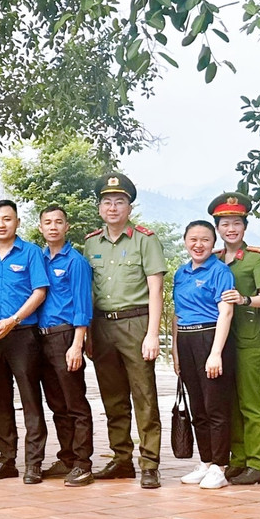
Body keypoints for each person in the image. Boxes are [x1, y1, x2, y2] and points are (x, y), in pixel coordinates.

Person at [85, 172, 167, 489]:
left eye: (120, 201)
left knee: (144, 396)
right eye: (107, 202)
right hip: (102, 325)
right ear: (100, 207)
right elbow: (88, 291)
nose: (113, 207)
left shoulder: (145, 240)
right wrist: (90, 334)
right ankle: (121, 459)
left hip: (136, 322)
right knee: (113, 397)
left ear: (129, 208)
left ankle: (149, 464)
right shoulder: (92, 242)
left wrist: (152, 334)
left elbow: (156, 290)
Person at [0, 200, 51, 483]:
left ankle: (34, 462)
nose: (1, 224)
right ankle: (6, 459)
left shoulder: (31, 252)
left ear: (17, 222)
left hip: (22, 335)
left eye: (7, 219)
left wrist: (13, 321)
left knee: (30, 398)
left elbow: (39, 292)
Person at [209, 192, 260, 486]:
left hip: (249, 339)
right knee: (229, 402)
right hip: (222, 341)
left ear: (244, 227)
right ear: (217, 228)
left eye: (236, 223)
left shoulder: (257, 259)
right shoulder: (215, 259)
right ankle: (238, 458)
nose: (230, 229)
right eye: (224, 224)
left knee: (250, 403)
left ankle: (258, 463)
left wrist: (245, 299)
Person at [172, 221, 239, 490]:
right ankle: (206, 460)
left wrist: (215, 353)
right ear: (186, 241)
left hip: (211, 337)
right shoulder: (181, 273)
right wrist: (177, 353)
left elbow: (226, 312)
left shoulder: (220, 271)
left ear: (214, 244)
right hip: (186, 340)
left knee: (215, 406)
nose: (198, 245)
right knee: (197, 406)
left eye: (205, 240)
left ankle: (220, 466)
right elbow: (177, 316)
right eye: (193, 239)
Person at [36, 205, 96, 487]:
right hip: (42, 338)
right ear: (40, 227)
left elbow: (83, 304)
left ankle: (83, 463)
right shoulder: (39, 259)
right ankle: (67, 457)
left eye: (58, 222)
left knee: (75, 403)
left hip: (65, 336)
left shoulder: (76, 261)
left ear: (66, 227)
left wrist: (77, 344)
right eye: (47, 222)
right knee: (56, 403)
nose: (53, 227)